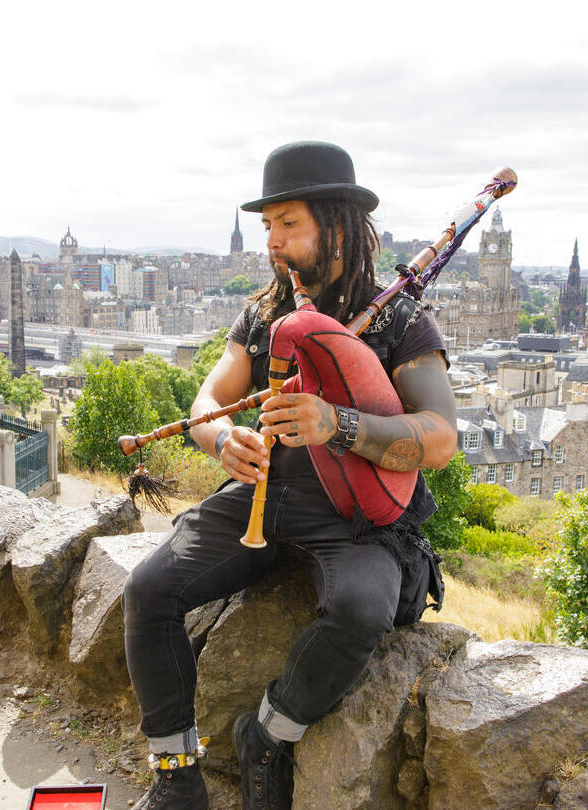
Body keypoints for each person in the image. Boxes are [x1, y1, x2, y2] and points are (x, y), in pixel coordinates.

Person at [123, 141, 457, 810]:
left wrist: (340, 424)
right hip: (264, 497)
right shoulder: (261, 313)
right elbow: (205, 403)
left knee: (360, 610)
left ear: (336, 224)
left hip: (357, 519)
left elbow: (440, 438)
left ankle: (268, 736)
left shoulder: (399, 322)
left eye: (288, 224)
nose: (272, 241)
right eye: (267, 225)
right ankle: (178, 776)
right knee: (149, 591)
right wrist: (221, 439)